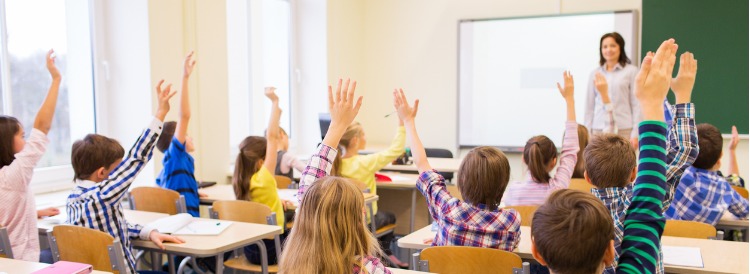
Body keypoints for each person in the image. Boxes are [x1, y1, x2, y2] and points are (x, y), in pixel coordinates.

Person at [530, 38, 678, 274]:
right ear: (610, 253)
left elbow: (645, 210)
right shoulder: (594, 74)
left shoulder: (628, 72)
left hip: (620, 129)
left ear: (536, 253)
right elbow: (645, 212)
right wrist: (652, 102)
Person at [66, 80, 185, 273]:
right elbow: (136, 158)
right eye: (117, 168)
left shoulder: (73, 199)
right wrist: (160, 113)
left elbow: (112, 227)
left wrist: (148, 232)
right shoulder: (102, 196)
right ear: (102, 173)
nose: (122, 172)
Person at [279, 78, 391, 274]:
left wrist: (337, 125)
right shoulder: (367, 269)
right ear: (355, 220)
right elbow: (309, 185)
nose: (364, 212)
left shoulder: (295, 262)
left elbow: (310, 184)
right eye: (359, 209)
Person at [395, 88, 521, 251]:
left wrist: (408, 121)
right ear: (503, 184)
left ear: (462, 181)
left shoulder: (449, 210)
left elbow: (421, 163)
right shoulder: (511, 221)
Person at [0, 50, 60, 262]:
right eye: (22, 136)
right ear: (6, 142)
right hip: (22, 263)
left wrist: (34, 212)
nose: (26, 141)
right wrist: (55, 79)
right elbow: (42, 127)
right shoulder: (12, 176)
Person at [504, 71, 579, 206]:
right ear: (553, 162)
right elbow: (570, 150)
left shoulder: (513, 192)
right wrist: (569, 100)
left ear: (524, 159)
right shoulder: (557, 190)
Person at [155, 52, 205, 217]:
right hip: (187, 226)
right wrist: (185, 77)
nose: (190, 138)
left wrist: (194, 191)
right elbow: (184, 115)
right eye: (186, 135)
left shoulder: (168, 168)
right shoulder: (177, 158)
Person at [585, 32, 640, 144]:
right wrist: (587, 132)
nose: (608, 49)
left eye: (613, 46)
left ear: (620, 47)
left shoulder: (631, 71)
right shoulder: (595, 73)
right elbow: (589, 106)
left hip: (624, 129)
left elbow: (636, 104)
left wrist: (635, 133)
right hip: (599, 129)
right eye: (605, 47)